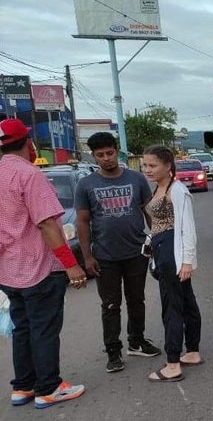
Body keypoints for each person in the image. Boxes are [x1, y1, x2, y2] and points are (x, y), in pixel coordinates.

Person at [0, 118, 86, 408]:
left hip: (9, 271)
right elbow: (47, 224)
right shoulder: (29, 174)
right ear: (28, 142)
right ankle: (48, 387)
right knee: (44, 329)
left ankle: (23, 386)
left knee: (22, 328)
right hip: (39, 269)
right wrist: (71, 265)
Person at [75, 132, 161, 374]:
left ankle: (137, 341)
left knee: (136, 300)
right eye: (100, 155)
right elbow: (82, 222)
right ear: (94, 156)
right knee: (111, 305)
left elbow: (149, 212)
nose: (106, 158)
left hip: (136, 252)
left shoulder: (136, 179)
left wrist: (158, 240)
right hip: (105, 257)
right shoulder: (86, 184)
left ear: (117, 152)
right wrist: (87, 257)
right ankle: (113, 352)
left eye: (110, 153)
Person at [142, 145, 203, 383]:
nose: (148, 169)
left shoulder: (177, 190)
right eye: (145, 165)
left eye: (153, 165)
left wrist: (187, 261)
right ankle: (193, 351)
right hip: (163, 248)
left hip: (172, 252)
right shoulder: (159, 187)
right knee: (186, 301)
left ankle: (172, 364)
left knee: (172, 307)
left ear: (168, 166)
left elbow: (188, 228)